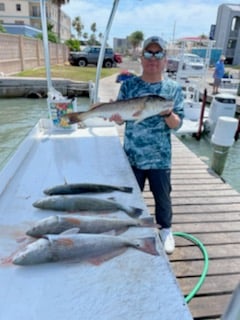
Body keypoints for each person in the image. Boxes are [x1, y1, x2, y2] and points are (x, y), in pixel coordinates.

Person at [110, 36, 184, 254]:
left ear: (165, 60)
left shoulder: (173, 89)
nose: (153, 58)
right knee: (132, 196)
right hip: (132, 155)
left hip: (160, 156)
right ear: (141, 58)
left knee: (163, 197)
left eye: (158, 53)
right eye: (149, 53)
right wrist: (117, 117)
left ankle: (165, 229)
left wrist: (168, 113)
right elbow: (122, 116)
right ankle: (131, 227)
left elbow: (177, 124)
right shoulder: (129, 85)